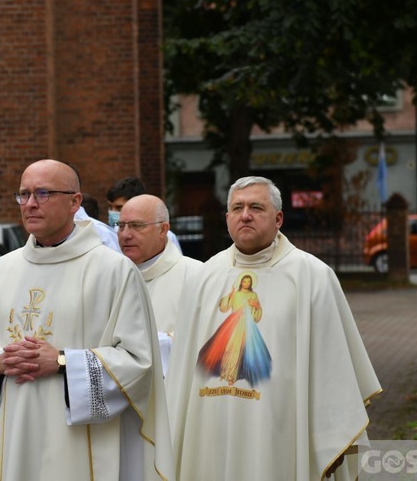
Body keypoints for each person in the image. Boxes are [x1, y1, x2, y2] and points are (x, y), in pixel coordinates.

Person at [0, 159, 174, 481]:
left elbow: (140, 362)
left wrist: (59, 361)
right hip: (9, 439)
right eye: (23, 194)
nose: (29, 203)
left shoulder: (113, 272)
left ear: (75, 202)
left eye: (43, 193)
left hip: (78, 449)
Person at [166, 176, 381, 480]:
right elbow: (182, 376)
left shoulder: (313, 277)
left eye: (256, 207)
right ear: (227, 218)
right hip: (210, 429)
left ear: (278, 218)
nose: (245, 215)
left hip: (279, 430)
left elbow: (333, 373)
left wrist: (329, 436)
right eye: (237, 208)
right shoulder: (204, 277)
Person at [118, 194, 202, 375]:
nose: (125, 234)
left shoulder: (197, 275)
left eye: (136, 226)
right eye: (121, 226)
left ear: (163, 230)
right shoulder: (111, 276)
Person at [106, 176, 182, 251]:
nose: (112, 212)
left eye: (119, 208)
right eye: (110, 207)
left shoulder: (167, 237)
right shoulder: (105, 235)